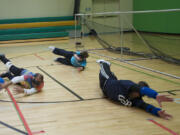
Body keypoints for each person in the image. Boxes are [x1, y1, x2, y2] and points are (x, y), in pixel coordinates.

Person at [97, 59, 174, 120]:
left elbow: (145, 106)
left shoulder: (136, 100)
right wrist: (155, 95)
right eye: (138, 92)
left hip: (105, 91)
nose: (137, 95)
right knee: (103, 69)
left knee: (112, 75)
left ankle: (108, 69)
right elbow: (141, 89)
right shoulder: (129, 84)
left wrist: (157, 112)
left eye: (140, 95)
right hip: (107, 80)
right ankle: (105, 63)